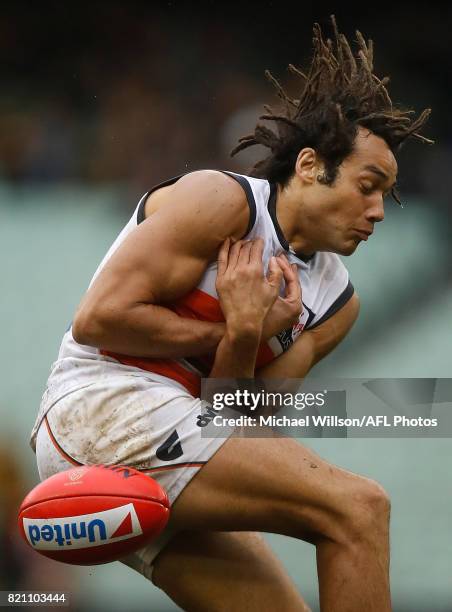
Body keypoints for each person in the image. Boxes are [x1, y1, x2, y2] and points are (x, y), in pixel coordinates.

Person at [30, 18, 431, 612]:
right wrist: (235, 326)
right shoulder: (221, 202)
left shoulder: (337, 304)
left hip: (185, 433)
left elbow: (239, 418)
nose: (376, 211)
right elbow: (98, 320)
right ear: (309, 165)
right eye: (367, 186)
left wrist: (246, 334)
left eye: (386, 197)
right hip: (100, 410)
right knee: (358, 506)